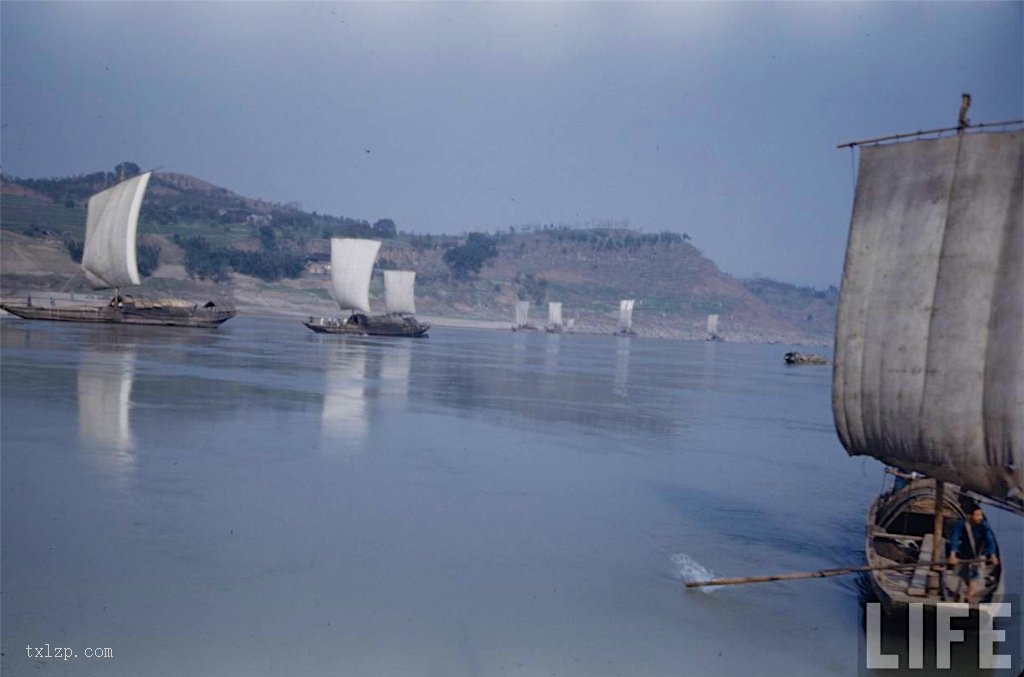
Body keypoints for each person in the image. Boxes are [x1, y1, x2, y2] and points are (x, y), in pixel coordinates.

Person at [947, 503, 999, 604]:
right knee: (963, 574)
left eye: (981, 515)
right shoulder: (962, 524)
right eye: (977, 515)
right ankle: (968, 590)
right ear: (970, 515)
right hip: (965, 553)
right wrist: (952, 554)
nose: (979, 518)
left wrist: (993, 555)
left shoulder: (984, 525)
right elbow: (955, 537)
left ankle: (970, 595)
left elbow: (990, 540)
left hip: (979, 554)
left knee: (975, 575)